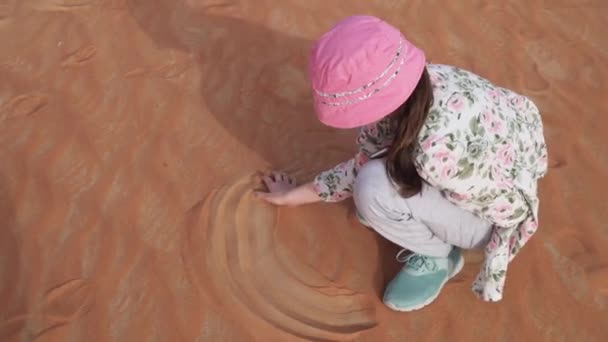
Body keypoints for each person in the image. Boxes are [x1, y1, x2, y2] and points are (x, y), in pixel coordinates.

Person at [254, 15, 548, 311]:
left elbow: (506, 207)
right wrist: (299, 195)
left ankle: (438, 258)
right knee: (378, 185)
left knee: (372, 189)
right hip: (512, 162)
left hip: (493, 218)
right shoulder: (427, 79)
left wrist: (400, 200)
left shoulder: (433, 152)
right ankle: (401, 213)